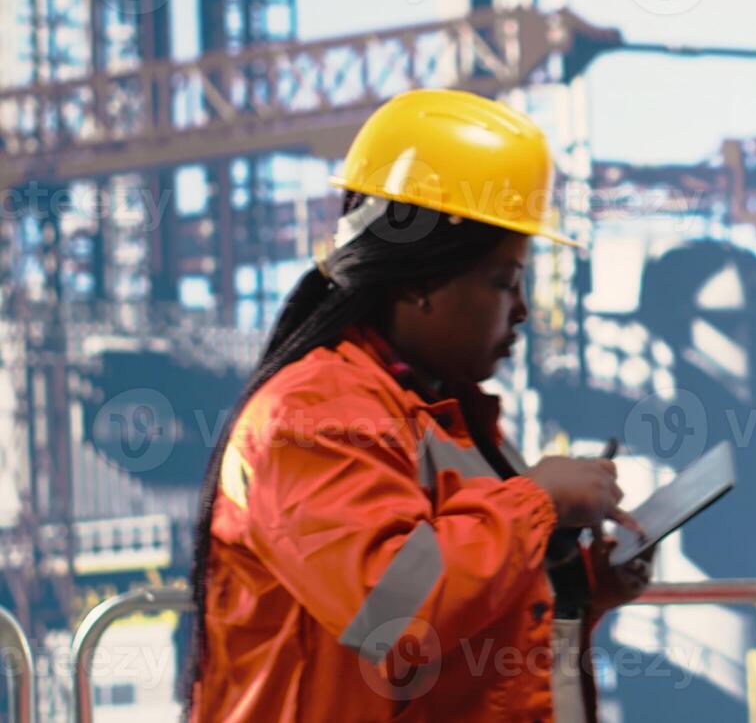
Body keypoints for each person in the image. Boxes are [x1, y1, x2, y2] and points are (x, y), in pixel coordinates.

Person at [184, 89, 652, 722]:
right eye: (503, 281)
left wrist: (579, 581)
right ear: (419, 280)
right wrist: (538, 502)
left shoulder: (441, 413)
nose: (519, 310)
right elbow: (393, 613)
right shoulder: (313, 414)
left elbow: (462, 626)